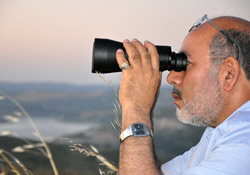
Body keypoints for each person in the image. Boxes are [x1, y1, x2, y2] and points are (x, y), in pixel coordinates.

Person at [115, 14, 250, 175]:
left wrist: (136, 108)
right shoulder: (222, 133)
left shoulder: (243, 144)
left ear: (228, 74)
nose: (171, 77)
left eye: (185, 63)